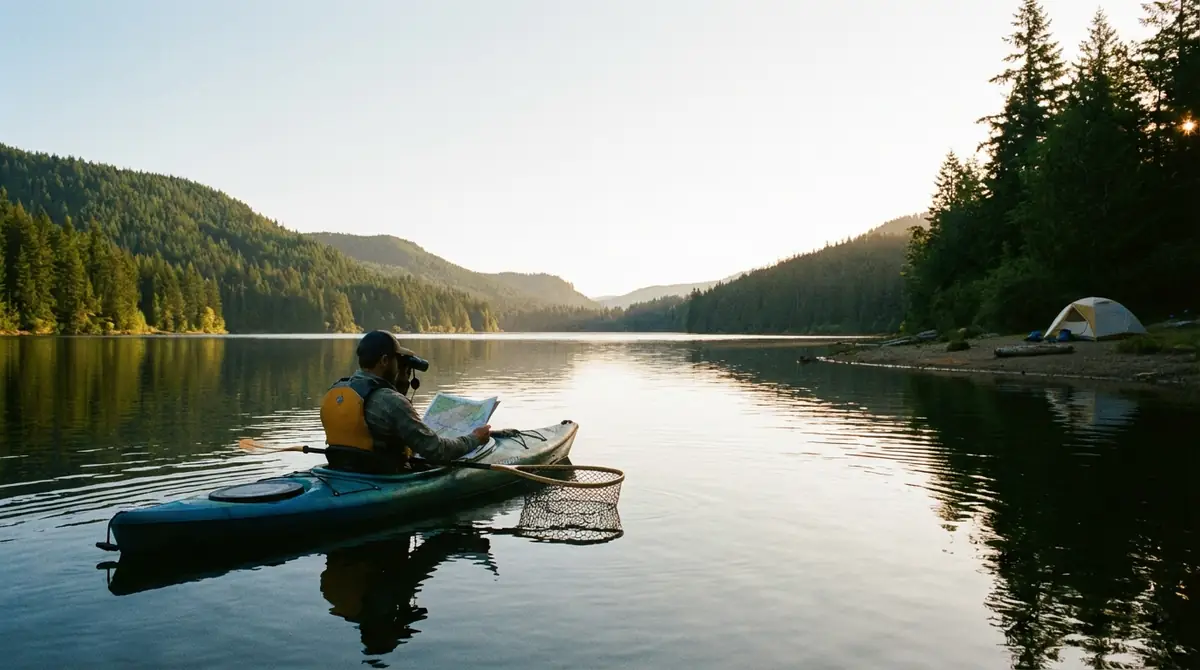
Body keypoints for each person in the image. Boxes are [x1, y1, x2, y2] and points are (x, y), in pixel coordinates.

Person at [319, 330, 490, 473]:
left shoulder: (337, 390)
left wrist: (400, 385)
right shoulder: (392, 402)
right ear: (385, 361)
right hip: (381, 477)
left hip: (343, 471)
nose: (400, 367)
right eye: (397, 360)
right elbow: (437, 451)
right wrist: (474, 438)